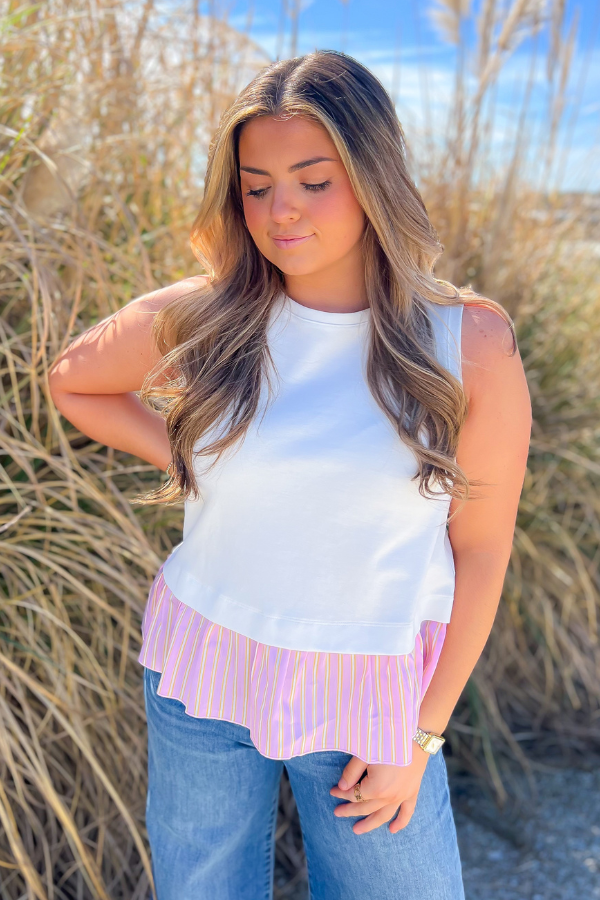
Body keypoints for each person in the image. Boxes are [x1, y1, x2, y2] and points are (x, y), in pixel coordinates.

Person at [48, 49, 532, 900]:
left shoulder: (466, 345)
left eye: (314, 180)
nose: (282, 211)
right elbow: (74, 381)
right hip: (203, 671)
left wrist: (420, 737)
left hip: (370, 696)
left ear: (372, 176)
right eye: (257, 184)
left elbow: (482, 553)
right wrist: (194, 456)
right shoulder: (212, 314)